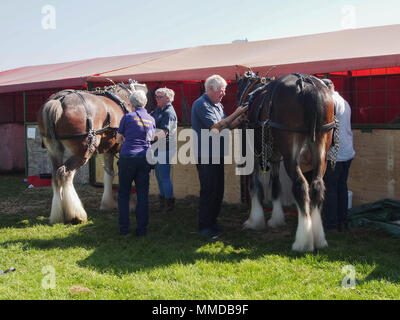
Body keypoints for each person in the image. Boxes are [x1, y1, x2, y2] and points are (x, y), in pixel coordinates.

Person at [191, 74, 248, 239]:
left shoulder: (218, 106)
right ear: (210, 89)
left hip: (217, 154)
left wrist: (239, 120)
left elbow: (225, 127)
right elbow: (215, 128)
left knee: (218, 191)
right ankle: (204, 226)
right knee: (209, 191)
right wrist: (236, 112)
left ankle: (212, 222)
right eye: (221, 91)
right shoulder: (201, 104)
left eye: (224, 91)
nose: (223, 94)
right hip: (206, 155)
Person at [116, 90, 156, 236]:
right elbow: (150, 138)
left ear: (131, 103)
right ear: (144, 103)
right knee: (143, 194)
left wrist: (124, 138)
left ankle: (124, 229)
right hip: (145, 157)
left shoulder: (127, 117)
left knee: (124, 194)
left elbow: (119, 139)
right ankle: (142, 229)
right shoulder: (151, 119)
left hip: (128, 157)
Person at [322, 78, 355, 232]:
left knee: (331, 190)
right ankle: (342, 222)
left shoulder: (331, 102)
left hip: (335, 154)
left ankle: (331, 225)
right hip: (347, 152)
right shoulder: (344, 101)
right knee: (341, 187)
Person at [150, 87, 178, 214]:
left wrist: (147, 138)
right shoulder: (158, 110)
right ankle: (163, 204)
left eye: (159, 97)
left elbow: (164, 133)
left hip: (165, 148)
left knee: (164, 177)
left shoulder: (168, 112)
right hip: (158, 147)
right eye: (156, 97)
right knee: (159, 176)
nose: (156, 99)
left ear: (168, 98)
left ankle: (169, 205)